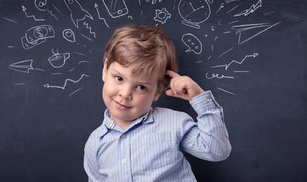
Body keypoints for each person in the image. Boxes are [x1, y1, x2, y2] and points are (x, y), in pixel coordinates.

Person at [84, 24, 231, 181]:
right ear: (105, 70)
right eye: (119, 78)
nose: (125, 94)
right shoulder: (95, 143)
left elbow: (217, 151)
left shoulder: (173, 123)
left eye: (141, 87)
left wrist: (199, 98)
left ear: (157, 92)